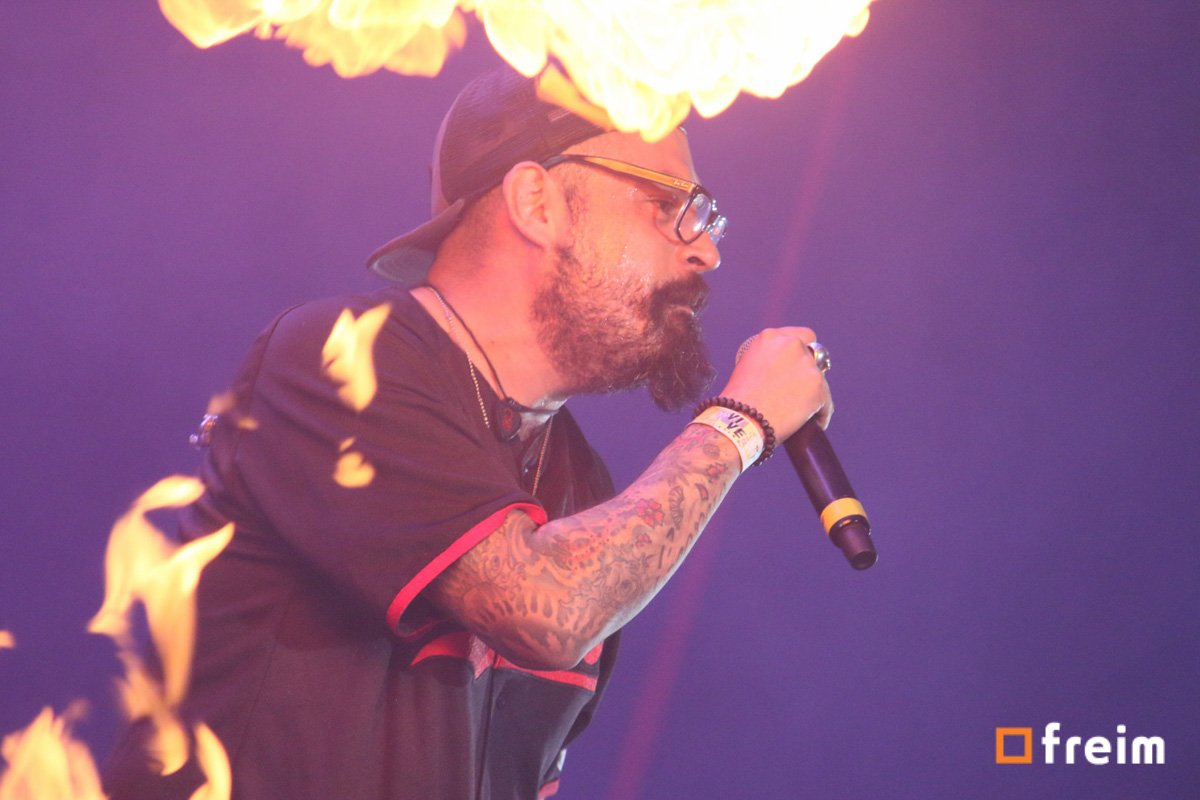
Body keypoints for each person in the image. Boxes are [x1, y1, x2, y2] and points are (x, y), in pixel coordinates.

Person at [102, 68, 832, 800]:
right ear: (538, 203)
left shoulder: (583, 485)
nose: (705, 251)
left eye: (706, 218)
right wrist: (739, 424)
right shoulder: (346, 359)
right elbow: (545, 611)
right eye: (670, 205)